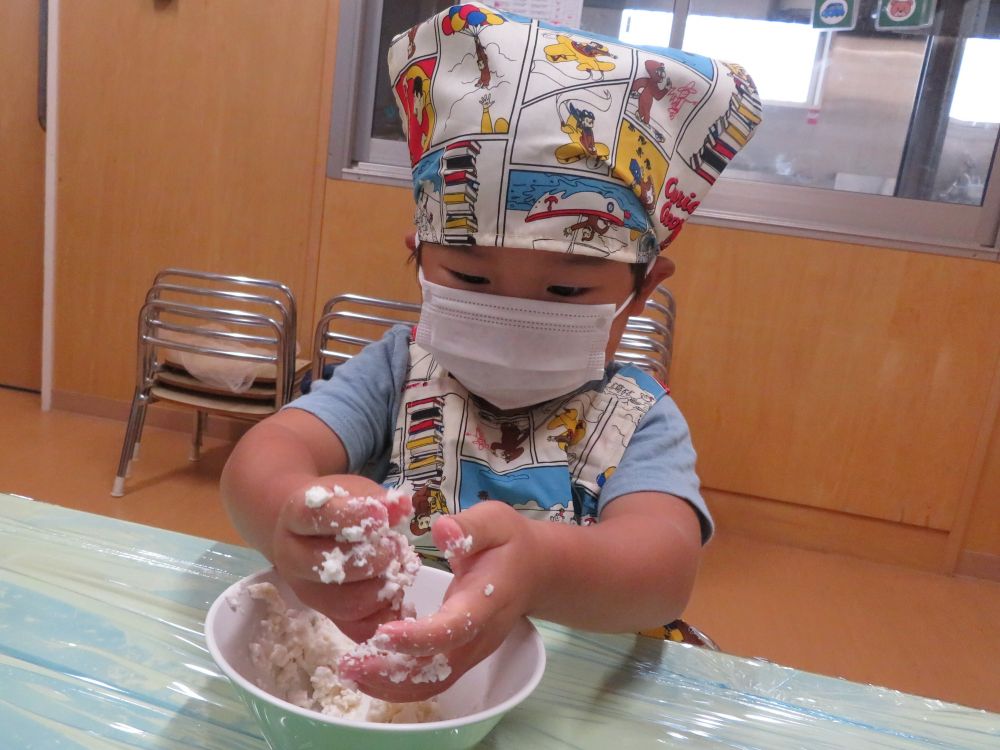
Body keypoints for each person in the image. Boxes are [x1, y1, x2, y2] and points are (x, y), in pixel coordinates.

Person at [221, 4, 761, 703]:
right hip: (369, 690)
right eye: (471, 279)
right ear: (418, 261)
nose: (515, 313)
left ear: (638, 291)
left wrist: (539, 565)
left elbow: (661, 576)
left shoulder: (635, 418)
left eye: (566, 289)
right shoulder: (398, 371)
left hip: (550, 706)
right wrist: (294, 509)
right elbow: (262, 458)